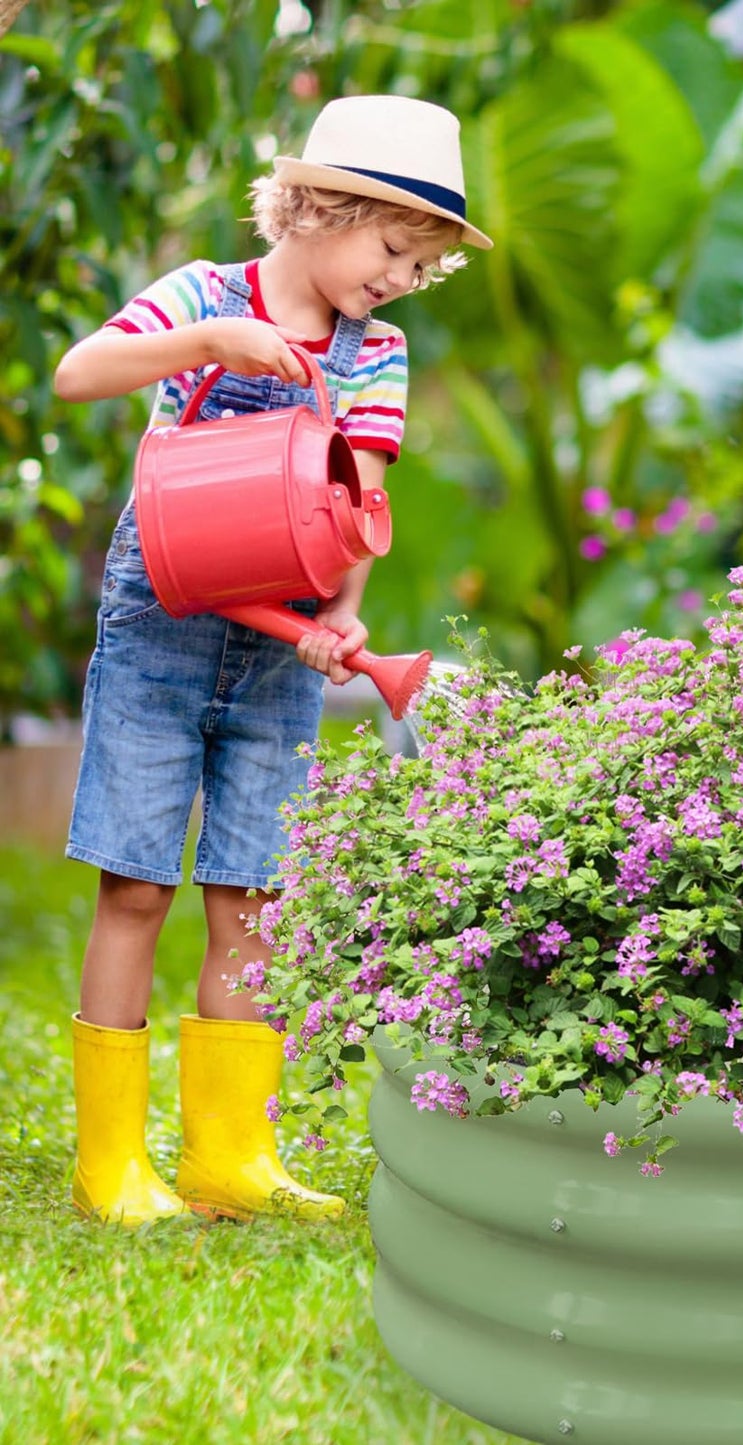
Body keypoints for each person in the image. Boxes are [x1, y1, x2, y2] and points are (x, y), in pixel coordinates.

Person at [52, 94, 492, 1226]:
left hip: (283, 651)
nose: (398, 279)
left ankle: (227, 1155)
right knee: (138, 883)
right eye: (391, 249)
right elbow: (77, 372)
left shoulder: (377, 352)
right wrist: (207, 345)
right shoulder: (204, 295)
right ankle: (113, 1162)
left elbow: (363, 502)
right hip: (164, 620)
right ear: (317, 209)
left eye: (417, 264)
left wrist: (343, 615)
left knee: (252, 893)